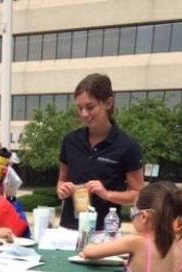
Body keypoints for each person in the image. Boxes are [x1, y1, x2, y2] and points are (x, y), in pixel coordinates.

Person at [57, 73, 144, 230]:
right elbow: (62, 180)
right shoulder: (70, 141)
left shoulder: (127, 146)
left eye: (90, 107)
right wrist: (62, 189)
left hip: (104, 232)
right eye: (79, 108)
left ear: (108, 103)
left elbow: (138, 194)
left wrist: (106, 194)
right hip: (68, 229)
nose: (84, 114)